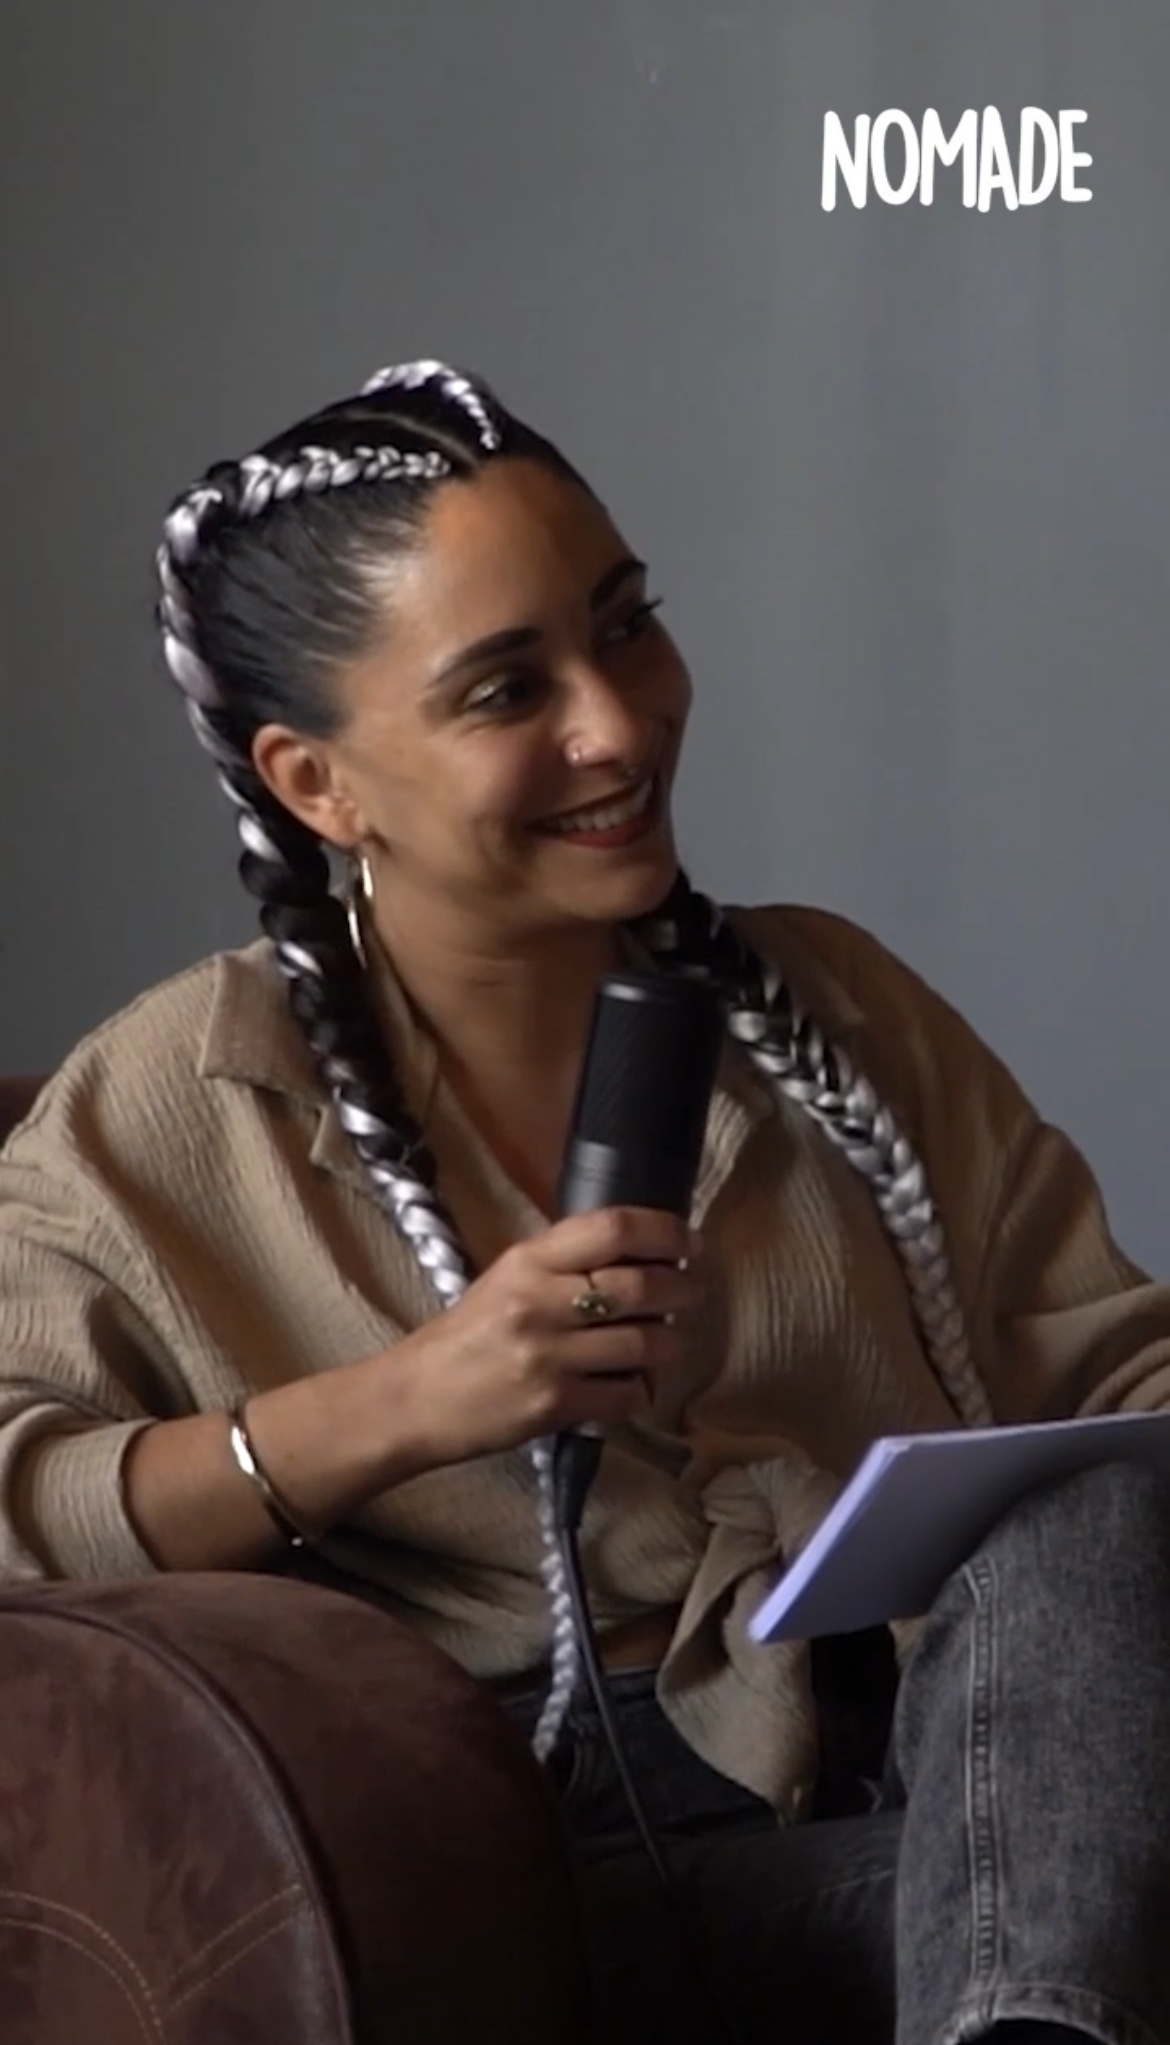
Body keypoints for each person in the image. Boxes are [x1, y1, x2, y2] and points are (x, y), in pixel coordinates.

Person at [2, 357, 1169, 2045]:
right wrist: (409, 1402)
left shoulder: (832, 1009)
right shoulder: (164, 1110)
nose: (614, 724)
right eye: (505, 689)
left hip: (964, 1758)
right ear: (317, 784)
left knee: (1095, 1538)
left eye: (625, 626)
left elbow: (1115, 1382)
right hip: (544, 1861)